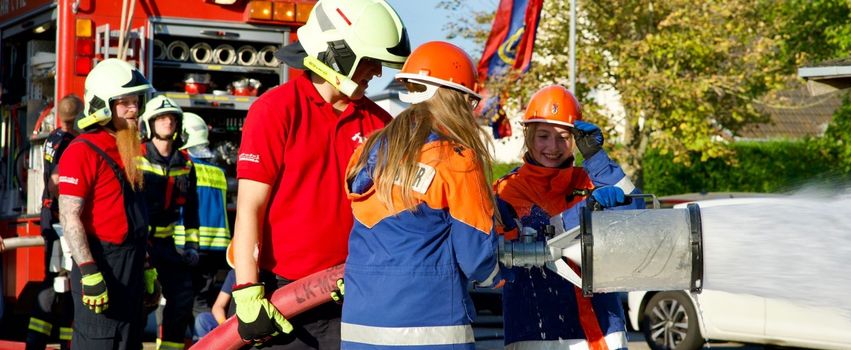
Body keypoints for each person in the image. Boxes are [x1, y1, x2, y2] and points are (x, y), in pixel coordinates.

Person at [230, 0, 410, 348]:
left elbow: (392, 213)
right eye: (370, 61)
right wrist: (248, 291)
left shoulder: (379, 124)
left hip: (356, 292)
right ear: (337, 52)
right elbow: (250, 206)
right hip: (284, 296)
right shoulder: (275, 110)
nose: (376, 73)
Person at [341, 41, 501, 349]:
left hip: (359, 325)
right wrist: (502, 267)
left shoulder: (370, 148)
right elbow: (477, 259)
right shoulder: (456, 158)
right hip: (430, 326)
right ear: (456, 98)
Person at [493, 85, 644, 350]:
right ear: (527, 135)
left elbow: (639, 219)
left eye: (563, 137)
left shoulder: (591, 179)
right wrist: (585, 213)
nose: (553, 147)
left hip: (604, 329)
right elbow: (523, 251)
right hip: (537, 331)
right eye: (543, 136)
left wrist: (597, 159)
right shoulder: (506, 190)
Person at [57, 58, 157, 350]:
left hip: (132, 267)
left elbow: (135, 216)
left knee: (129, 342)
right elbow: (70, 216)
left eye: (136, 101)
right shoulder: (81, 151)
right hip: (102, 266)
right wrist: (89, 271)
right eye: (124, 102)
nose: (134, 109)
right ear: (103, 105)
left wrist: (147, 266)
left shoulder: (129, 149)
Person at [138, 95, 200, 350]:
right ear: (150, 124)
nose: (168, 122)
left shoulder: (185, 163)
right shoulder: (137, 156)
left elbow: (192, 210)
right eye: (161, 118)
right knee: (140, 302)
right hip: (140, 244)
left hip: (167, 244)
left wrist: (192, 247)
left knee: (183, 295)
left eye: (172, 118)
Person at [26, 94, 82, 350]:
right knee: (59, 280)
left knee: (61, 281)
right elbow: (57, 180)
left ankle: (53, 341)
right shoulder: (69, 141)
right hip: (58, 217)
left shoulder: (53, 137)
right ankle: (41, 342)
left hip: (51, 214)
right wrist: (65, 211)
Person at [176, 112, 232, 330]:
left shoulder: (185, 168)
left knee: (182, 304)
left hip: (187, 245)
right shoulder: (218, 171)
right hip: (216, 249)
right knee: (203, 301)